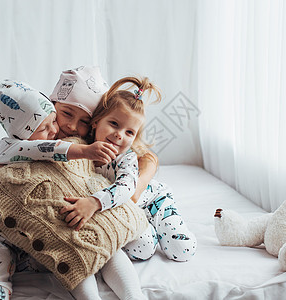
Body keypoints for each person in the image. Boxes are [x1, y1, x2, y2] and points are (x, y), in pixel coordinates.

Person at [0, 78, 147, 300]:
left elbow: (139, 166)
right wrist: (3, 165)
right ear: (51, 106)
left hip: (57, 221)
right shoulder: (19, 144)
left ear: (94, 123)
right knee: (2, 257)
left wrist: (96, 200)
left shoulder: (94, 145)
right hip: (0, 226)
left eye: (84, 121)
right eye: (67, 114)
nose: (71, 126)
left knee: (93, 245)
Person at [60, 76, 197, 262]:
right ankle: (152, 232)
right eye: (114, 124)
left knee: (183, 250)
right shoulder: (83, 150)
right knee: (142, 250)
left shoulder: (127, 158)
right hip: (127, 211)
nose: (119, 135)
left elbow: (127, 188)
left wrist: (93, 203)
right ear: (96, 121)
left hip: (152, 202)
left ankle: (163, 225)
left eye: (129, 132)